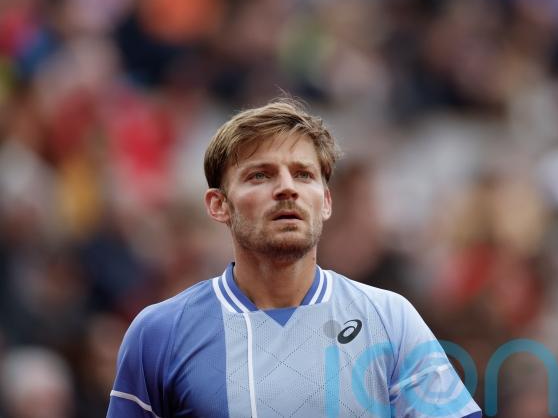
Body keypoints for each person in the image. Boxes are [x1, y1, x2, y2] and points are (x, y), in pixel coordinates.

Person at [106, 99, 482, 417]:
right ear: (219, 205)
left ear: (326, 201)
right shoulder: (160, 333)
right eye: (260, 175)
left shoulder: (389, 319)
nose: (287, 188)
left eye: (303, 175)